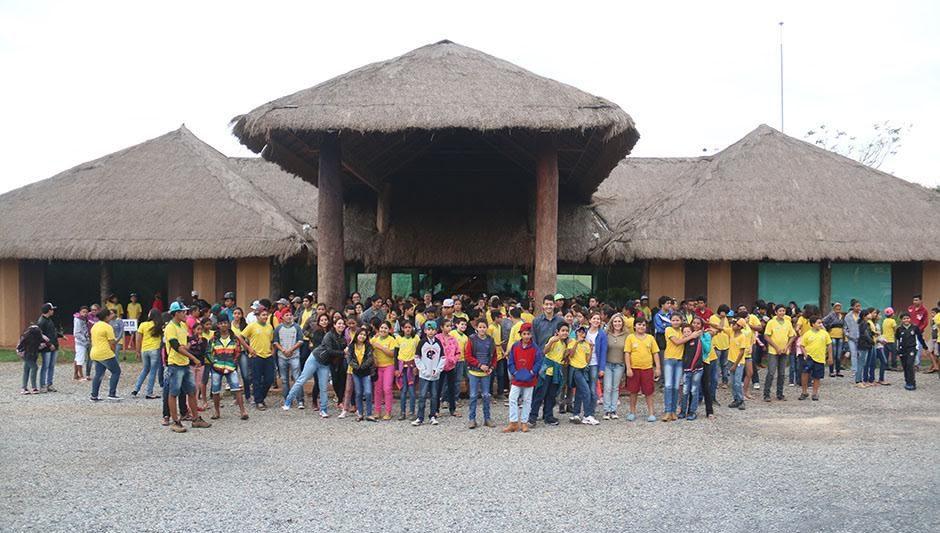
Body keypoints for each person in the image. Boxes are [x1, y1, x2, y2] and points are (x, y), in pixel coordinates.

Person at [285, 317, 346, 417]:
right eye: (339, 323)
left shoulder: (343, 339)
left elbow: (340, 353)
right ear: (334, 325)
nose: (341, 325)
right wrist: (343, 353)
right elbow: (330, 350)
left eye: (343, 324)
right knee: (302, 379)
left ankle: (323, 410)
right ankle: (288, 400)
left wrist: (344, 353)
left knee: (323, 387)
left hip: (325, 364)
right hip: (315, 358)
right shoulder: (329, 335)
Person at [207, 315, 249, 420]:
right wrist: (213, 362)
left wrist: (234, 363)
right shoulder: (213, 339)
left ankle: (243, 411)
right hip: (217, 368)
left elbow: (238, 351)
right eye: (221, 323)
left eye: (225, 323)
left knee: (237, 388)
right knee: (215, 390)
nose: (223, 325)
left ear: (228, 324)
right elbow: (208, 352)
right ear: (218, 325)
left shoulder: (234, 338)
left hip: (231, 367)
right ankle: (217, 412)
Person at [504, 323, 543, 433]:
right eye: (524, 334)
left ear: (531, 335)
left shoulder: (535, 348)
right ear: (521, 335)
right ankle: (513, 422)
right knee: (512, 398)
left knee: (527, 400)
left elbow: (538, 361)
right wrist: (514, 372)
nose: (526, 336)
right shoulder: (515, 346)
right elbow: (511, 361)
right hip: (517, 377)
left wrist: (532, 372)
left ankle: (524, 422)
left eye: (528, 334)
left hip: (529, 378)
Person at [528, 322, 568, 428]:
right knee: (540, 394)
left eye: (566, 331)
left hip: (556, 373)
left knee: (551, 395)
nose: (565, 333)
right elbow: (544, 352)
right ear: (557, 332)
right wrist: (550, 342)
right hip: (547, 372)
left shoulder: (564, 344)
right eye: (562, 330)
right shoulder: (553, 340)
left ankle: (548, 415)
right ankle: (532, 416)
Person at [624, 320, 660, 422]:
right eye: (639, 324)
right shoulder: (630, 338)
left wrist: (657, 367)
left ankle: (651, 413)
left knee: (649, 391)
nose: (641, 326)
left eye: (644, 325)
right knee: (633, 391)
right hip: (634, 368)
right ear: (635, 326)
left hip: (647, 368)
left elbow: (655, 353)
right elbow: (627, 353)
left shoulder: (650, 338)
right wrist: (628, 368)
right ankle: (632, 412)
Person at [241, 308, 276, 410]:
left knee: (269, 379)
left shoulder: (269, 327)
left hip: (268, 356)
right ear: (257, 316)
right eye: (263, 315)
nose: (265, 317)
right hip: (256, 356)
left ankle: (260, 397)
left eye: (266, 315)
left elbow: (271, 340)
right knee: (256, 379)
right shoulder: (252, 326)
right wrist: (248, 348)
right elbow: (240, 337)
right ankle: (259, 401)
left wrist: (273, 351)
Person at [413, 321, 446, 426]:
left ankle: (433, 416)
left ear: (436, 331)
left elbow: (443, 357)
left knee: (434, 395)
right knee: (422, 395)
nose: (430, 331)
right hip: (424, 375)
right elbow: (417, 357)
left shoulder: (438, 343)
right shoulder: (422, 342)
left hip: (435, 375)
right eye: (428, 329)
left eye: (433, 329)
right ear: (425, 331)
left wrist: (438, 369)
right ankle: (420, 417)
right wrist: (422, 369)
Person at [465, 319, 496, 429]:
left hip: (486, 372)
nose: (482, 329)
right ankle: (472, 419)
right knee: (473, 396)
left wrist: (492, 367)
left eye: (484, 327)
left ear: (487, 328)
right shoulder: (472, 339)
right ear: (476, 328)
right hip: (474, 371)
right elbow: (468, 356)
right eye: (480, 327)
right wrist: (479, 365)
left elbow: (494, 355)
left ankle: (487, 418)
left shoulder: (490, 340)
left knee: (486, 395)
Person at [763, 304, 796, 402]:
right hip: (773, 351)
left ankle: (780, 394)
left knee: (782, 373)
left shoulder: (788, 322)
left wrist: (787, 346)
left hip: (784, 351)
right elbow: (766, 336)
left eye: (783, 311)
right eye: (780, 311)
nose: (782, 313)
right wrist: (776, 347)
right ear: (776, 312)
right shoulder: (771, 322)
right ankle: (766, 394)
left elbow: (792, 336)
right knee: (771, 372)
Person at [567, 326, 599, 425]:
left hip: (583, 369)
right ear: (576, 333)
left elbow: (587, 360)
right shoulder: (572, 342)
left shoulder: (586, 344)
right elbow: (571, 355)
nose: (582, 334)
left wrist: (591, 348)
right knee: (586, 391)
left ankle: (576, 413)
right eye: (580, 332)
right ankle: (587, 415)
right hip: (575, 369)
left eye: (583, 332)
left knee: (580, 392)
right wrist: (577, 342)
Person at [89, 308, 122, 401]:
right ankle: (112, 394)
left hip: (94, 352)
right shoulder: (108, 327)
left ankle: (94, 395)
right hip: (105, 353)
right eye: (110, 314)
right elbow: (112, 343)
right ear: (106, 317)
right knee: (116, 371)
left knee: (98, 374)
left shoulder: (95, 326)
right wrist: (113, 351)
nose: (112, 315)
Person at [601, 313, 628, 420]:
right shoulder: (606, 334)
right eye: (615, 321)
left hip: (620, 364)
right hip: (608, 364)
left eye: (619, 321)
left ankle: (613, 409)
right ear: (612, 323)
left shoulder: (627, 335)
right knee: (607, 387)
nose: (617, 323)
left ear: (622, 323)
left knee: (615, 388)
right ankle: (607, 410)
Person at [347, 326, 377, 422]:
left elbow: (370, 359)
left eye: (364, 335)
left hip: (366, 372)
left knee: (368, 393)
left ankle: (369, 414)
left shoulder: (368, 346)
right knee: (358, 393)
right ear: (357, 335)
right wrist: (356, 366)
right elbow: (349, 359)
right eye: (361, 334)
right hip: (356, 372)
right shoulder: (351, 346)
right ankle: (360, 413)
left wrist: (363, 366)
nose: (362, 336)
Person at [677, 323, 706, 421]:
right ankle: (683, 411)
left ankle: (692, 411)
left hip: (696, 370)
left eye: (688, 331)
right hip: (686, 370)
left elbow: (698, 354)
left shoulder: (697, 341)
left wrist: (693, 367)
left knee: (694, 390)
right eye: (684, 332)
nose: (686, 333)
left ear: (692, 332)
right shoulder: (683, 342)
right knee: (685, 391)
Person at [132, 309, 163, 399]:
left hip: (144, 349)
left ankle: (136, 389)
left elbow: (138, 339)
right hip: (155, 349)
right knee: (153, 371)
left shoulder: (143, 325)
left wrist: (137, 351)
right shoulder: (159, 326)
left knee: (145, 369)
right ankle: (149, 392)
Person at [799, 316, 832, 401]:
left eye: (821, 323)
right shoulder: (807, 334)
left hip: (820, 358)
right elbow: (802, 345)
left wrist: (830, 356)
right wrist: (806, 355)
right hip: (809, 358)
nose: (821, 324)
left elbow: (829, 345)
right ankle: (804, 392)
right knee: (805, 373)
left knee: (817, 377)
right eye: (819, 323)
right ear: (813, 324)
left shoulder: (824, 333)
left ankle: (815, 393)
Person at [371, 321, 399, 420]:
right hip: (378, 367)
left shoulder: (392, 340)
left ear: (390, 330)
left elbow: (392, 354)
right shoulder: (374, 339)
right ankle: (377, 411)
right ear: (378, 329)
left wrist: (381, 347)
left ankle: (388, 411)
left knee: (387, 389)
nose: (383, 330)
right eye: (382, 327)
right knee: (377, 389)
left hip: (389, 366)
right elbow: (369, 349)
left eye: (386, 328)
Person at [274, 310, 303, 402]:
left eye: (291, 315)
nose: (289, 316)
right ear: (282, 317)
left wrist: (291, 350)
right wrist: (283, 350)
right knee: (284, 380)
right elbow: (275, 342)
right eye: (287, 315)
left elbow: (300, 341)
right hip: (282, 356)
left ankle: (300, 400)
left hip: (294, 356)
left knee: (297, 378)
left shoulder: (297, 327)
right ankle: (287, 399)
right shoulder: (278, 328)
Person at [395, 321, 420, 420]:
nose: (408, 329)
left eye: (410, 327)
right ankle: (402, 412)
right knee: (403, 390)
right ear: (402, 328)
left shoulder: (416, 338)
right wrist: (396, 368)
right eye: (406, 327)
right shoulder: (399, 339)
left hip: (412, 367)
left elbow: (419, 354)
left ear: (413, 328)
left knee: (412, 391)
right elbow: (396, 355)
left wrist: (417, 367)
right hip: (402, 368)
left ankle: (412, 412)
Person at [436, 319, 460, 418]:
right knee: (438, 388)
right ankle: (436, 409)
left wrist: (454, 359)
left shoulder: (453, 339)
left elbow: (458, 352)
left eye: (450, 326)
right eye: (447, 326)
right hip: (439, 366)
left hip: (451, 366)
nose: (449, 328)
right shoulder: (437, 338)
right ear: (441, 327)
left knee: (451, 388)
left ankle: (452, 409)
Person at [37, 302, 60, 393]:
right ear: (48, 310)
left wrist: (60, 336)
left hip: (54, 346)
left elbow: (52, 332)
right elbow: (40, 335)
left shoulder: (49, 320)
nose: (53, 311)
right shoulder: (41, 321)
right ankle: (43, 385)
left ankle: (49, 384)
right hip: (47, 348)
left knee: (51, 366)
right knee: (45, 366)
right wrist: (49, 344)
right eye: (52, 309)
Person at [727, 318, 750, 410]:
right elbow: (720, 327)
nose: (734, 325)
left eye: (736, 324)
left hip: (738, 362)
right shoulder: (731, 332)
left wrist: (735, 365)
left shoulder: (742, 337)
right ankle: (735, 399)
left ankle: (741, 400)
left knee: (737, 382)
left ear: (740, 327)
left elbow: (741, 352)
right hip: (730, 360)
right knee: (732, 382)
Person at [18, 325, 46, 394]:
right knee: (34, 367)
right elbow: (20, 347)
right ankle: (34, 387)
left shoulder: (38, 338)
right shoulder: (26, 338)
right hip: (27, 355)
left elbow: (45, 341)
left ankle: (24, 388)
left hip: (34, 355)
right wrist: (20, 352)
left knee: (26, 370)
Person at [895, 313, 919, 390]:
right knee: (905, 366)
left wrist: (917, 347)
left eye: (908, 318)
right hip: (902, 350)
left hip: (912, 349)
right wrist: (898, 350)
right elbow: (898, 340)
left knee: (910, 364)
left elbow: (919, 338)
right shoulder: (899, 329)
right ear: (902, 320)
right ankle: (907, 381)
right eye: (904, 318)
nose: (906, 320)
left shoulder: (914, 328)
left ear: (910, 319)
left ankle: (912, 383)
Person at [823, 302, 846, 377]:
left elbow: (844, 325)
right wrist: (828, 327)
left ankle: (838, 371)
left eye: (839, 308)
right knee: (833, 354)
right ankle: (831, 371)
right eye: (837, 308)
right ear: (834, 308)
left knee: (839, 354)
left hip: (840, 336)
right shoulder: (831, 315)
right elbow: (823, 321)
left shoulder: (841, 316)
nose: (838, 309)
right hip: (832, 335)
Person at [856, 308, 876, 387]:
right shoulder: (863, 323)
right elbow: (865, 334)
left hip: (865, 345)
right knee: (861, 363)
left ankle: (860, 380)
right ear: (864, 316)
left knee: (863, 362)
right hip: (863, 345)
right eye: (868, 314)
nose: (870, 315)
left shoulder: (864, 323)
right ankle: (858, 380)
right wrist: (871, 341)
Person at [72, 306, 91, 381]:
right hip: (80, 342)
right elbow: (76, 333)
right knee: (80, 359)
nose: (85, 313)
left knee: (77, 358)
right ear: (80, 312)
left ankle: (76, 374)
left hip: (84, 341)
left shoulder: (85, 319)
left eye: (86, 312)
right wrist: (85, 340)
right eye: (83, 312)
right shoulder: (78, 320)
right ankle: (81, 375)